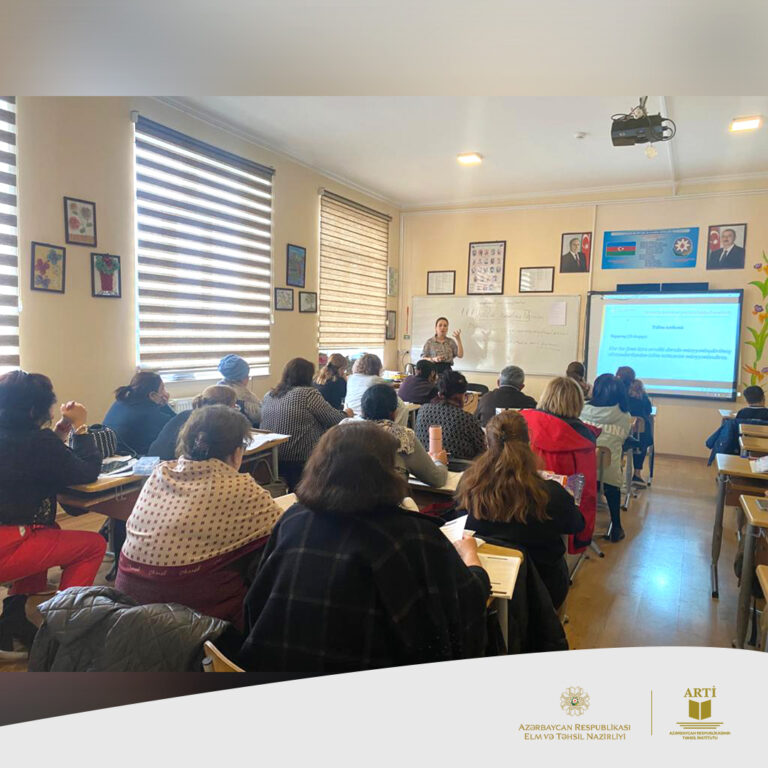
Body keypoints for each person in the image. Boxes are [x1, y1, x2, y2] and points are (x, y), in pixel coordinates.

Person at [238, 421, 490, 674]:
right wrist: (472, 560)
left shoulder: (292, 520)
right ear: (387, 471)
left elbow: (256, 598)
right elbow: (466, 603)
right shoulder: (413, 536)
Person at [116, 406, 282, 629]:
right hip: (193, 623)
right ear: (237, 452)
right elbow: (283, 527)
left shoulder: (160, 473)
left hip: (130, 609)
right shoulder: (238, 487)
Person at [0, 371, 106, 655]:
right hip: (9, 543)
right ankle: (59, 630)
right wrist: (81, 429)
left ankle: (11, 621)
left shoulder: (27, 440)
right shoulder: (39, 442)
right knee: (93, 545)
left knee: (48, 531)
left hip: (10, 535)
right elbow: (86, 472)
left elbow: (27, 463)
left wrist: (59, 433)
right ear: (34, 410)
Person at [456, 411, 585, 608]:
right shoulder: (550, 494)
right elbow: (577, 524)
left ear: (487, 443)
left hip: (488, 582)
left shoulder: (468, 485)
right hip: (542, 592)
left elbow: (460, 521)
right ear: (529, 443)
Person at [520, 377, 599, 553]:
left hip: (517, 508)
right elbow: (585, 491)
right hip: (556, 519)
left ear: (545, 396)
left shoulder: (521, 421)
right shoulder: (582, 439)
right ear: (578, 403)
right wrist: (582, 536)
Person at [260, 357, 346, 489]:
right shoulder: (307, 394)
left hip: (273, 457)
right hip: (301, 458)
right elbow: (335, 419)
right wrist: (347, 414)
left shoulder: (268, 395)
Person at [359, 384, 448, 487]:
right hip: (389, 496)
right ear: (394, 412)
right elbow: (437, 479)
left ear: (362, 410)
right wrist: (440, 462)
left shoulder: (347, 431)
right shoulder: (403, 437)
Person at [580, 374, 633, 542]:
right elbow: (623, 439)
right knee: (612, 473)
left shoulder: (581, 409)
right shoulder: (624, 416)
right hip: (608, 475)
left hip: (582, 471)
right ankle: (616, 526)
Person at [147, 384, 237, 460]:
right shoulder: (210, 423)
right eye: (234, 405)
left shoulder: (185, 414)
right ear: (226, 407)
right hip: (173, 464)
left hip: (156, 461)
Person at [415, 370, 486, 460]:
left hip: (425, 465)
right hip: (462, 467)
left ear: (439, 393)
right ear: (462, 395)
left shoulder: (422, 410)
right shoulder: (467, 419)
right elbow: (483, 449)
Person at [102, 371, 175, 455]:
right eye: (162, 389)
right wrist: (165, 404)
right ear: (152, 395)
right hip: (132, 458)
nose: (166, 393)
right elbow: (177, 425)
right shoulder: (150, 415)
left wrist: (162, 403)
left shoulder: (121, 402)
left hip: (111, 455)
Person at [344, 353, 409, 425]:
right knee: (403, 408)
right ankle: (398, 429)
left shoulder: (351, 378)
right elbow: (389, 387)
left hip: (351, 413)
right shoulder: (373, 379)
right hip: (368, 414)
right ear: (377, 367)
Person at [615, 366, 654, 485]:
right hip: (640, 436)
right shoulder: (641, 393)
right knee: (643, 436)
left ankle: (617, 471)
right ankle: (637, 474)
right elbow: (649, 410)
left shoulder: (616, 392)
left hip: (619, 433)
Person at [218, 354, 262, 425]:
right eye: (247, 375)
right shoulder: (245, 399)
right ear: (243, 378)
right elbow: (260, 417)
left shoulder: (217, 389)